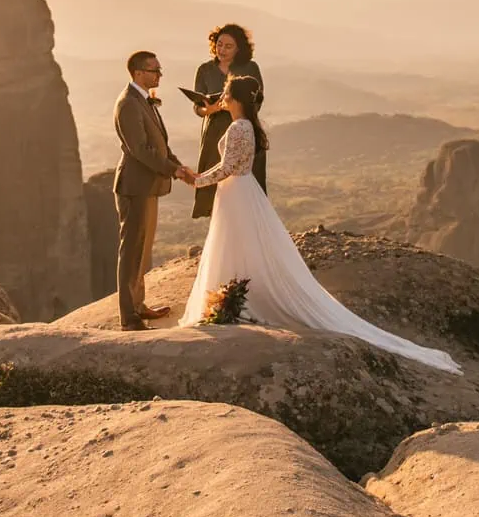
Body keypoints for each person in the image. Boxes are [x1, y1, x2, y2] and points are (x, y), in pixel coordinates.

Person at [179, 74, 460, 372]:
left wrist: (197, 180)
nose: (222, 97)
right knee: (242, 243)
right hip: (241, 191)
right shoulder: (246, 125)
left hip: (236, 192)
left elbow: (228, 168)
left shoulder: (238, 127)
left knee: (233, 242)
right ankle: (237, 296)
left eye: (226, 93)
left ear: (235, 98)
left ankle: (235, 298)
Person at [112, 50, 193, 331]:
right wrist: (173, 170)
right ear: (138, 73)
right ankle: (129, 318)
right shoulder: (128, 104)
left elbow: (161, 145)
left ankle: (138, 305)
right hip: (135, 187)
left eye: (159, 69)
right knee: (131, 251)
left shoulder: (143, 100)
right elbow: (141, 150)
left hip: (148, 187)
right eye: (154, 70)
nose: (159, 74)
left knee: (142, 250)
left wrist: (179, 167)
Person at [191, 23, 265, 218]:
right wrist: (209, 109)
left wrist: (235, 108)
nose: (222, 50)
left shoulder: (250, 67)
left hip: (242, 128)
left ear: (239, 48)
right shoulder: (205, 70)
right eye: (219, 44)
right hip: (214, 131)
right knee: (215, 182)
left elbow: (258, 100)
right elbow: (198, 107)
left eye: (228, 46)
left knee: (245, 181)